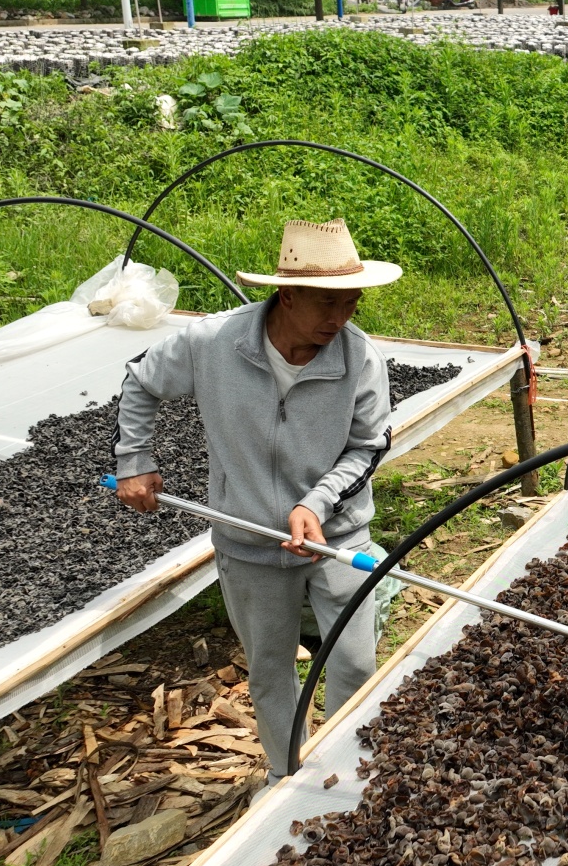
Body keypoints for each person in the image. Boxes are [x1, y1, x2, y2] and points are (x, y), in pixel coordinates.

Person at [112, 219, 399, 780]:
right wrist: (134, 462)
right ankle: (285, 775)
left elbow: (368, 446)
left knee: (355, 663)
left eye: (352, 304)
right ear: (287, 294)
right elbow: (141, 380)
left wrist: (315, 505)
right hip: (248, 541)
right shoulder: (214, 343)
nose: (339, 320)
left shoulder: (359, 359)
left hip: (338, 537)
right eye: (326, 303)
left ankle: (349, 771)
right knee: (269, 670)